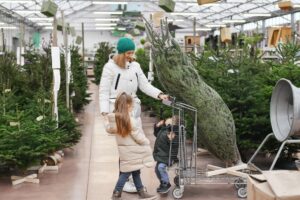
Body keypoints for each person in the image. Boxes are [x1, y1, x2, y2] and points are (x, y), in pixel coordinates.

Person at [99, 37, 168, 192]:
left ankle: (131, 180)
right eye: (128, 53)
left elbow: (144, 85)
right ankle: (127, 181)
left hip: (133, 110)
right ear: (121, 53)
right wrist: (104, 111)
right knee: (126, 149)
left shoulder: (135, 66)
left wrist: (159, 94)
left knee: (134, 146)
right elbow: (103, 90)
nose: (131, 55)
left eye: (132, 52)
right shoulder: (109, 68)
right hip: (118, 112)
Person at [106, 92, 157, 200]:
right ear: (127, 105)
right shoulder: (130, 121)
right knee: (125, 173)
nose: (133, 106)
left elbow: (109, 129)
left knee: (135, 171)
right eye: (132, 104)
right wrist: (146, 142)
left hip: (125, 151)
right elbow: (138, 137)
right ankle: (116, 193)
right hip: (133, 151)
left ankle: (141, 192)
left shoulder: (115, 119)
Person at [153, 116, 179, 194]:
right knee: (157, 170)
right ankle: (162, 182)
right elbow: (156, 134)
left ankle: (166, 183)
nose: (168, 119)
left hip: (167, 157)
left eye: (171, 119)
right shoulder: (164, 129)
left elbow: (175, 146)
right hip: (161, 156)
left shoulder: (172, 133)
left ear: (173, 124)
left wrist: (172, 139)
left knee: (160, 168)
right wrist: (157, 127)